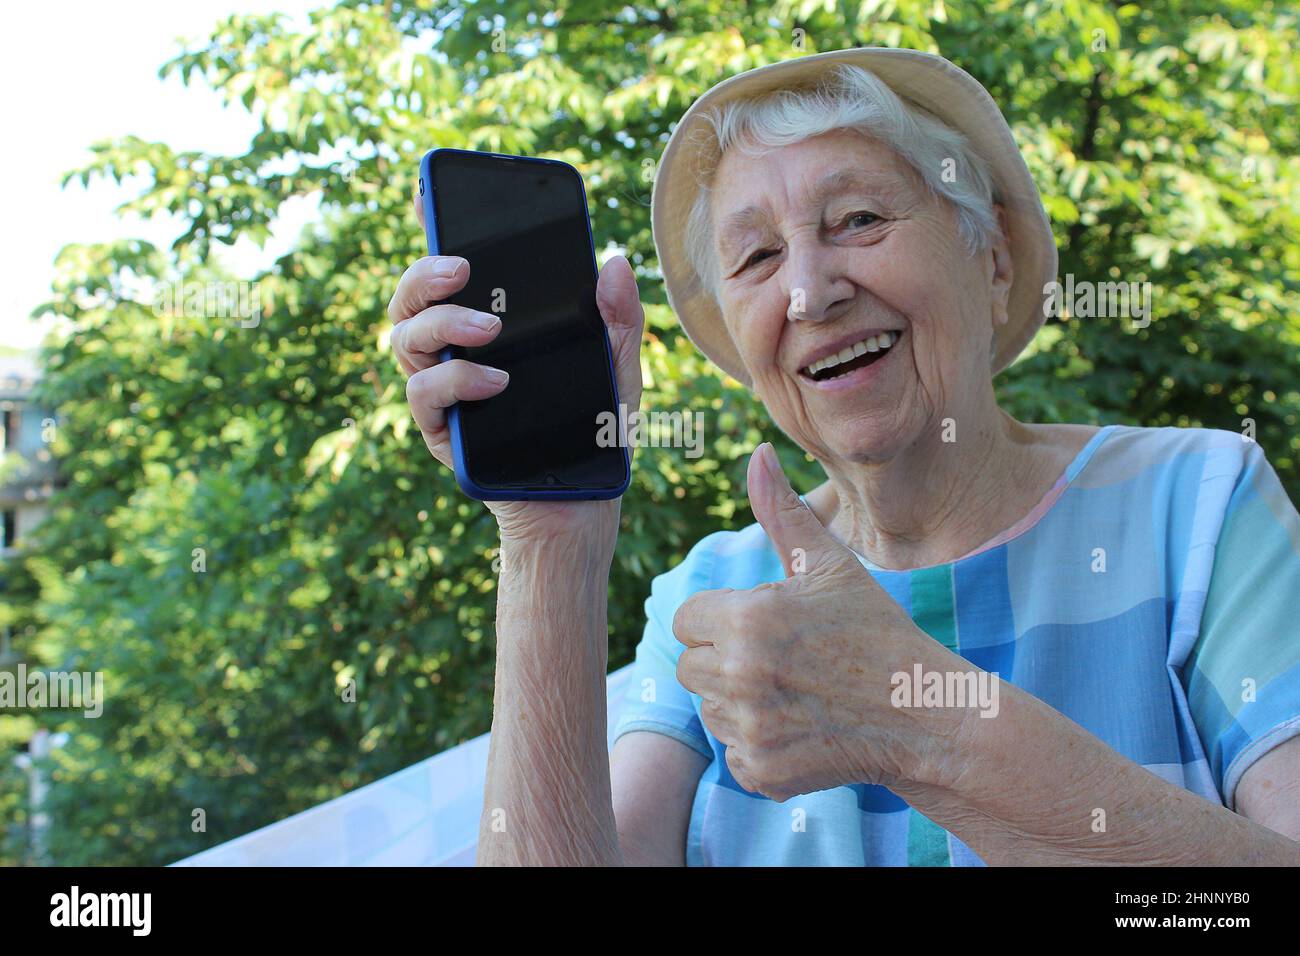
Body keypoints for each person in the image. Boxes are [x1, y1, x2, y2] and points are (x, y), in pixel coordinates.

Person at [387, 47, 1300, 865]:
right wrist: (552, 538)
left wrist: (917, 721)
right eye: (754, 258)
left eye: (859, 218)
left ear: (994, 262)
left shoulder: (1199, 507)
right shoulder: (710, 601)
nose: (810, 292)